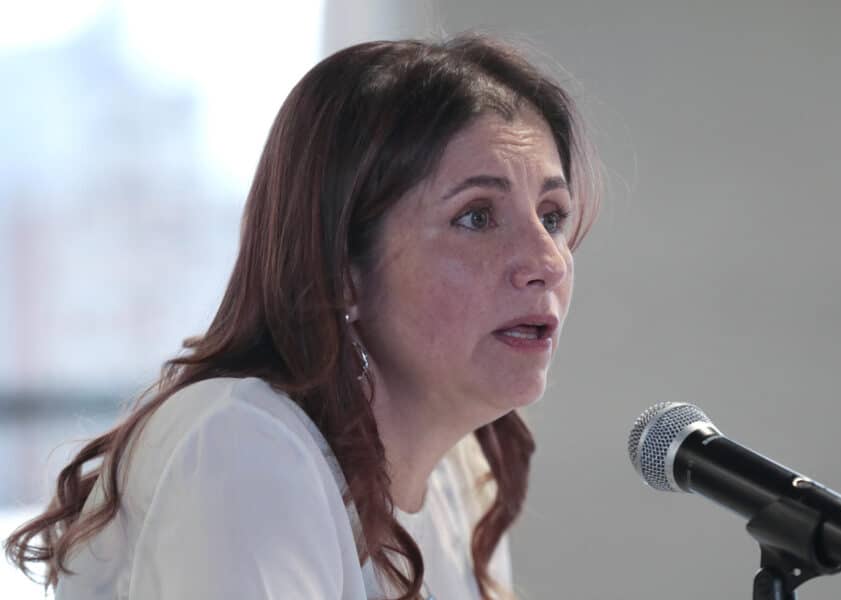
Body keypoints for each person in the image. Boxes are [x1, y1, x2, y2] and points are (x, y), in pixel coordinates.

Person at [5, 34, 599, 600]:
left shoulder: (464, 480)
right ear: (342, 268)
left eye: (551, 216)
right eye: (477, 217)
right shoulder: (242, 445)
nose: (548, 261)